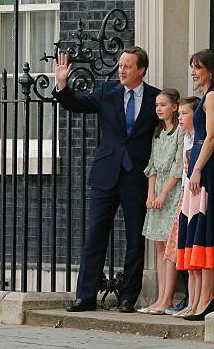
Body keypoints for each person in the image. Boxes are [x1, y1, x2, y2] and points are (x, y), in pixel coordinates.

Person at [53, 46, 161, 313]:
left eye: (127, 66)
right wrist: (62, 84)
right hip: (105, 174)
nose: (121, 70)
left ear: (141, 70)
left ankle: (127, 298)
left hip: (137, 176)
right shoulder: (106, 91)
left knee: (136, 239)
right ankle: (85, 296)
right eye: (120, 65)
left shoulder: (154, 98)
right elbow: (75, 104)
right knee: (95, 236)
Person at [177, 49, 214, 321]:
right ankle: (198, 299)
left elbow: (212, 137)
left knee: (208, 228)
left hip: (208, 167)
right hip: (199, 163)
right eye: (192, 67)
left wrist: (196, 169)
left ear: (210, 69)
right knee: (197, 227)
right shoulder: (208, 96)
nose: (194, 73)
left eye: (197, 67)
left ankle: (209, 298)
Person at [136, 89, 184, 314]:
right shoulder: (157, 133)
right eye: (156, 105)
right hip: (156, 193)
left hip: (172, 193)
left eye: (163, 105)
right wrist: (150, 194)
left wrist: (163, 194)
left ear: (175, 107)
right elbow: (152, 165)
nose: (158, 109)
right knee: (158, 245)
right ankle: (158, 298)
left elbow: (177, 167)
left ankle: (167, 299)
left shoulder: (180, 132)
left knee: (169, 248)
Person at [165, 96, 200, 317]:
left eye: (184, 114)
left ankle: (196, 300)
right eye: (179, 115)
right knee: (184, 251)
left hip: (196, 197)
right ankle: (190, 300)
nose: (180, 119)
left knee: (194, 251)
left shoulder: (199, 138)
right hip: (185, 197)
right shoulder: (185, 137)